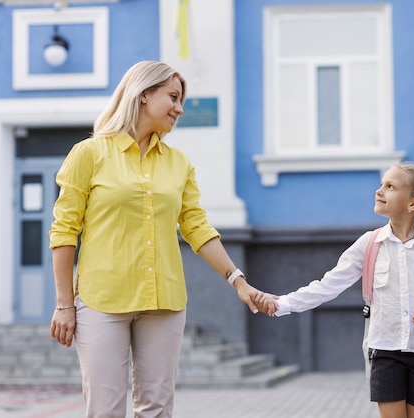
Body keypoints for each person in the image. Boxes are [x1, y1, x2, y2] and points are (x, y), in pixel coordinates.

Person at [49, 60, 265, 418]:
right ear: (144, 94)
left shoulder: (179, 163)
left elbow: (197, 227)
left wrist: (237, 280)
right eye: (174, 97)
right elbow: (64, 231)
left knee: (157, 410)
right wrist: (64, 304)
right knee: (105, 410)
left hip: (163, 300)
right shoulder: (89, 154)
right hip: (102, 299)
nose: (180, 109)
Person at [259, 162, 414, 418]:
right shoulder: (370, 244)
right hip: (385, 352)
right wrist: (282, 304)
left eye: (390, 186)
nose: (379, 191)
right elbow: (328, 285)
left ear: (413, 203)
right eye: (381, 184)